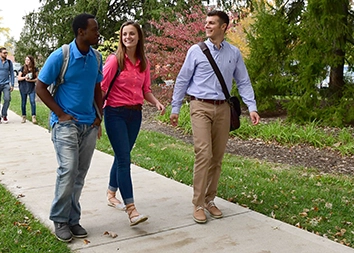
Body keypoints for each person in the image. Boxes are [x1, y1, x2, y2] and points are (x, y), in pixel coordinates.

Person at [170, 10, 260, 224]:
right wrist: (175, 108)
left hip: (223, 108)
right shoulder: (195, 51)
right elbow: (182, 80)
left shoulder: (234, 53)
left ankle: (210, 200)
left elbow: (243, 81)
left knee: (217, 157)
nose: (207, 26)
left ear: (223, 27)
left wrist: (252, 107)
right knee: (204, 153)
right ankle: (198, 203)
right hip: (199, 106)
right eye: (206, 23)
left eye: (212, 23)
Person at [35, 13, 103, 243]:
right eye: (94, 29)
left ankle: (73, 219)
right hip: (65, 124)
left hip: (88, 125)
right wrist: (61, 114)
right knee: (68, 169)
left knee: (79, 174)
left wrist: (99, 115)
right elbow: (40, 86)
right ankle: (60, 219)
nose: (97, 32)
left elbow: (97, 88)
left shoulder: (97, 57)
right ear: (81, 32)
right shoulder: (61, 55)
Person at [101, 21, 165, 226]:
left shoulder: (143, 62)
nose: (128, 37)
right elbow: (102, 89)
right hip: (115, 114)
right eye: (124, 34)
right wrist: (95, 116)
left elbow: (145, 89)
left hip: (135, 115)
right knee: (124, 159)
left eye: (132, 34)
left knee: (123, 154)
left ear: (139, 37)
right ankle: (132, 210)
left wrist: (155, 102)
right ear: (121, 37)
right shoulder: (114, 61)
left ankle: (111, 193)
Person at [17, 55, 38, 124]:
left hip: (31, 87)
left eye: (28, 60)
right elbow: (18, 78)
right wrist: (25, 77)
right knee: (23, 102)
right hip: (23, 87)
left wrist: (31, 81)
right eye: (26, 60)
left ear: (31, 61)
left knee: (32, 102)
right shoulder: (22, 68)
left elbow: (37, 79)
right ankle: (23, 116)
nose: (27, 61)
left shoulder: (35, 69)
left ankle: (33, 116)